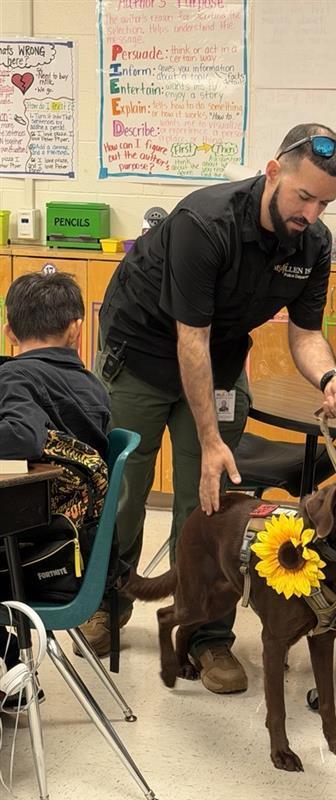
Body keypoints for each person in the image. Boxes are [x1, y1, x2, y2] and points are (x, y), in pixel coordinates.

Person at [87, 123, 336, 692]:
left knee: (209, 503)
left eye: (324, 203)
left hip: (220, 360)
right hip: (141, 354)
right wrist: (210, 440)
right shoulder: (204, 223)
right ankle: (105, 606)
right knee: (126, 489)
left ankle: (208, 639)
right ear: (272, 173)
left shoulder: (313, 244)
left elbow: (306, 335)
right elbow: (191, 338)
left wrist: (330, 377)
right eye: (302, 195)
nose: (310, 212)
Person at [0, 271, 110, 708]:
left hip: (30, 565)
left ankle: (13, 668)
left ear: (9, 332)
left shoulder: (13, 378)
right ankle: (13, 670)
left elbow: (22, 436)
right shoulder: (93, 386)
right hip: (73, 559)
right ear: (77, 330)